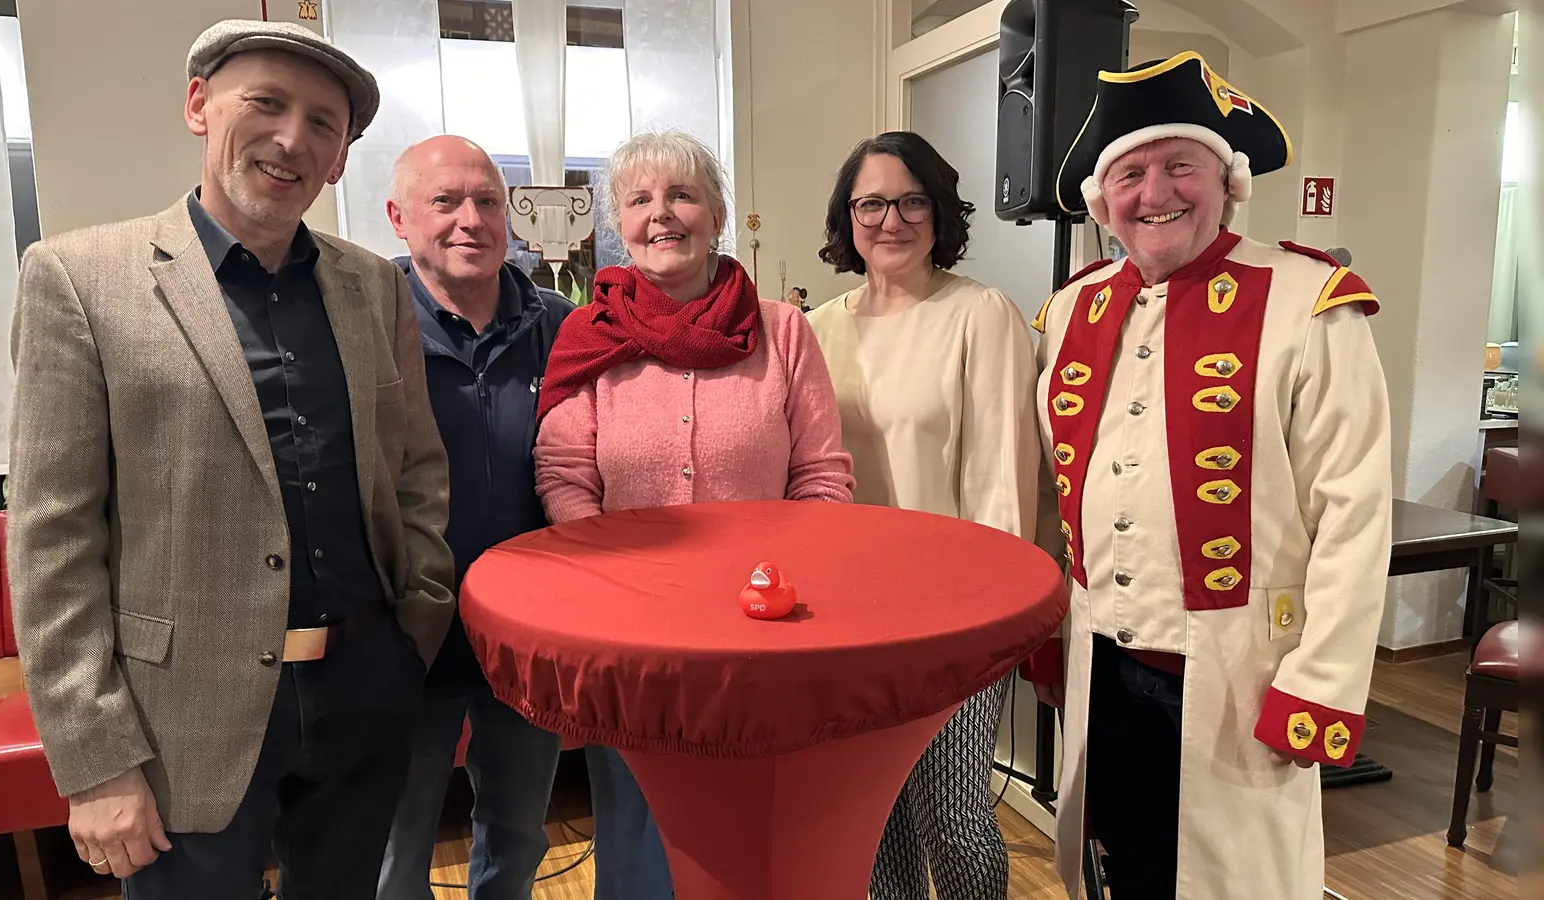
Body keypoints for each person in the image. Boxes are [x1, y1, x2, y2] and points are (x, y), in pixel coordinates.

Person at [5, 20, 455, 899]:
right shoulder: (79, 278)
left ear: (338, 160)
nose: (293, 137)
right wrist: (94, 761)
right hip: (184, 716)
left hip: (366, 688)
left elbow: (414, 473)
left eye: (324, 124)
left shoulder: (375, 285)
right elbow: (52, 539)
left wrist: (415, 629)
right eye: (267, 103)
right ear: (198, 106)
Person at [1020, 51, 1390, 899]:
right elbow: (1053, 492)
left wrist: (1324, 681)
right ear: (1101, 200)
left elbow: (1356, 512)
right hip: (1102, 660)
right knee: (1118, 860)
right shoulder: (1072, 309)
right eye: (1131, 173)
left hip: (1238, 670)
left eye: (1179, 165)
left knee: (1232, 882)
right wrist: (1046, 630)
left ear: (1227, 178)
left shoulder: (1311, 300)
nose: (1156, 193)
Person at [533, 129, 856, 899]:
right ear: (619, 219)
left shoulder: (782, 331)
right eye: (640, 200)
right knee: (641, 822)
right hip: (632, 632)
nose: (661, 215)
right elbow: (564, 470)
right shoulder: (590, 332)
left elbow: (822, 473)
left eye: (681, 195)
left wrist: (790, 584)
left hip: (764, 628)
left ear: (716, 214)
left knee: (759, 825)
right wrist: (611, 582)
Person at [806, 131, 1041, 900]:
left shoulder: (982, 314)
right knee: (873, 822)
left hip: (955, 620)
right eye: (870, 202)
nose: (891, 219)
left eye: (912, 200)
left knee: (956, 819)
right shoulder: (816, 330)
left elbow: (1002, 480)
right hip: (848, 619)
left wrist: (996, 626)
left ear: (940, 212)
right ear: (847, 217)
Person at [376, 135, 574, 900]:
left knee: (520, 833)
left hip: (529, 637)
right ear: (398, 217)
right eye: (445, 202)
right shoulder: (368, 326)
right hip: (405, 635)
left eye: (487, 201)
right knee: (398, 848)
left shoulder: (559, 324)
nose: (471, 220)